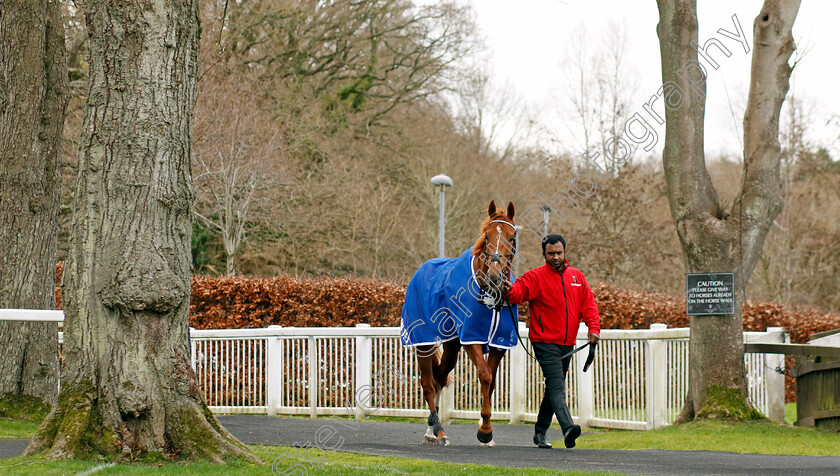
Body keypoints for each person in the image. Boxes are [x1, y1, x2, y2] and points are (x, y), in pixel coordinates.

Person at [499, 234, 600, 449]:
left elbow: (589, 305)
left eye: (559, 253)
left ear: (565, 252)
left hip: (567, 343)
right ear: (544, 253)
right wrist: (509, 288)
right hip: (544, 343)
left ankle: (540, 433)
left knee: (552, 389)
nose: (555, 257)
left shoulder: (577, 277)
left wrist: (594, 329)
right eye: (551, 253)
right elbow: (518, 291)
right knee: (557, 386)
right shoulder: (535, 277)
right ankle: (568, 428)